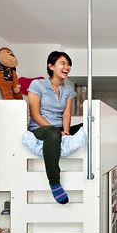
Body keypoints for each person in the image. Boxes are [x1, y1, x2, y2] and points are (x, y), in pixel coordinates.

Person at [27, 51, 83, 204]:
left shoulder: (68, 90)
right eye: (63, 63)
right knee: (52, 132)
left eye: (68, 64)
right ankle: (54, 182)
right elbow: (35, 114)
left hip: (59, 128)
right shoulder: (37, 85)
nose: (67, 67)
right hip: (41, 128)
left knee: (89, 125)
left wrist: (65, 131)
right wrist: (56, 131)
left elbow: (66, 113)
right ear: (51, 66)